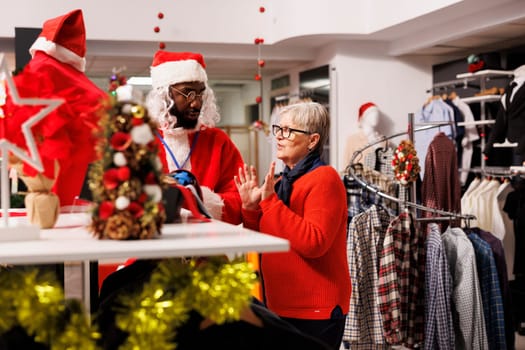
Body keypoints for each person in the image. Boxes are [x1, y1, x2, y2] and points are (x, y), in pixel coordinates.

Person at [234, 102, 350, 350]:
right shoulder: (281, 182)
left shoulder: (325, 179)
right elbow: (264, 241)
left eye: (288, 130)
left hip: (314, 311)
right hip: (281, 305)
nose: (279, 136)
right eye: (278, 129)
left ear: (312, 140)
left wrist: (270, 203)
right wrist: (250, 209)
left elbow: (314, 242)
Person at [4, 9, 108, 206]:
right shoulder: (52, 68)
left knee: (50, 199)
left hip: (49, 144)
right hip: (62, 143)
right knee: (59, 199)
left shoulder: (42, 65)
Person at [145, 50, 244, 224]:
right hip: (150, 242)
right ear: (165, 95)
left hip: (206, 242)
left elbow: (240, 200)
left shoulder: (217, 140)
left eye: (200, 94)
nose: (196, 103)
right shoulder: (140, 139)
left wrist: (201, 200)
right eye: (187, 93)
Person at [343, 102, 382, 167]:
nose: (375, 116)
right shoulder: (353, 140)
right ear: (364, 117)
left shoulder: (383, 140)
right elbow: (346, 164)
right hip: (360, 176)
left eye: (377, 114)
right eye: (371, 114)